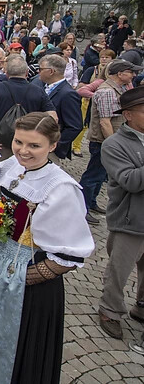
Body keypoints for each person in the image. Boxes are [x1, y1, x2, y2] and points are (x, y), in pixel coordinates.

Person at [0, 112, 94, 384]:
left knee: (17, 344)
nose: (23, 151)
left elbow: (68, 257)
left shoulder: (61, 188)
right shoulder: (10, 167)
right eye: (19, 142)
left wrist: (22, 278)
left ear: (52, 146)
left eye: (34, 145)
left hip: (29, 282)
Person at [98, 87, 144, 340]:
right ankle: (110, 310)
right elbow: (129, 181)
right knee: (119, 270)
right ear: (127, 115)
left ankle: (141, 307)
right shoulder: (114, 144)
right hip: (129, 220)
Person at [80, 59, 140, 225]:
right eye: (130, 72)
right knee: (93, 175)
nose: (133, 75)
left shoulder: (118, 88)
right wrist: (114, 145)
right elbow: (105, 122)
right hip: (103, 141)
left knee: (100, 175)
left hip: (107, 140)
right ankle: (82, 207)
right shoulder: (107, 91)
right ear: (120, 74)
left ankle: (91, 202)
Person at [0, 55, 57, 160]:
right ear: (26, 72)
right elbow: (53, 116)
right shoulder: (38, 91)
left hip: (0, 144)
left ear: (6, 72)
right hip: (28, 144)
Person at [33, 54, 83, 163]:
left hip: (49, 150)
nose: (38, 72)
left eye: (40, 69)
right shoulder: (42, 86)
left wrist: (54, 144)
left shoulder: (68, 94)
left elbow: (75, 126)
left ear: (51, 71)